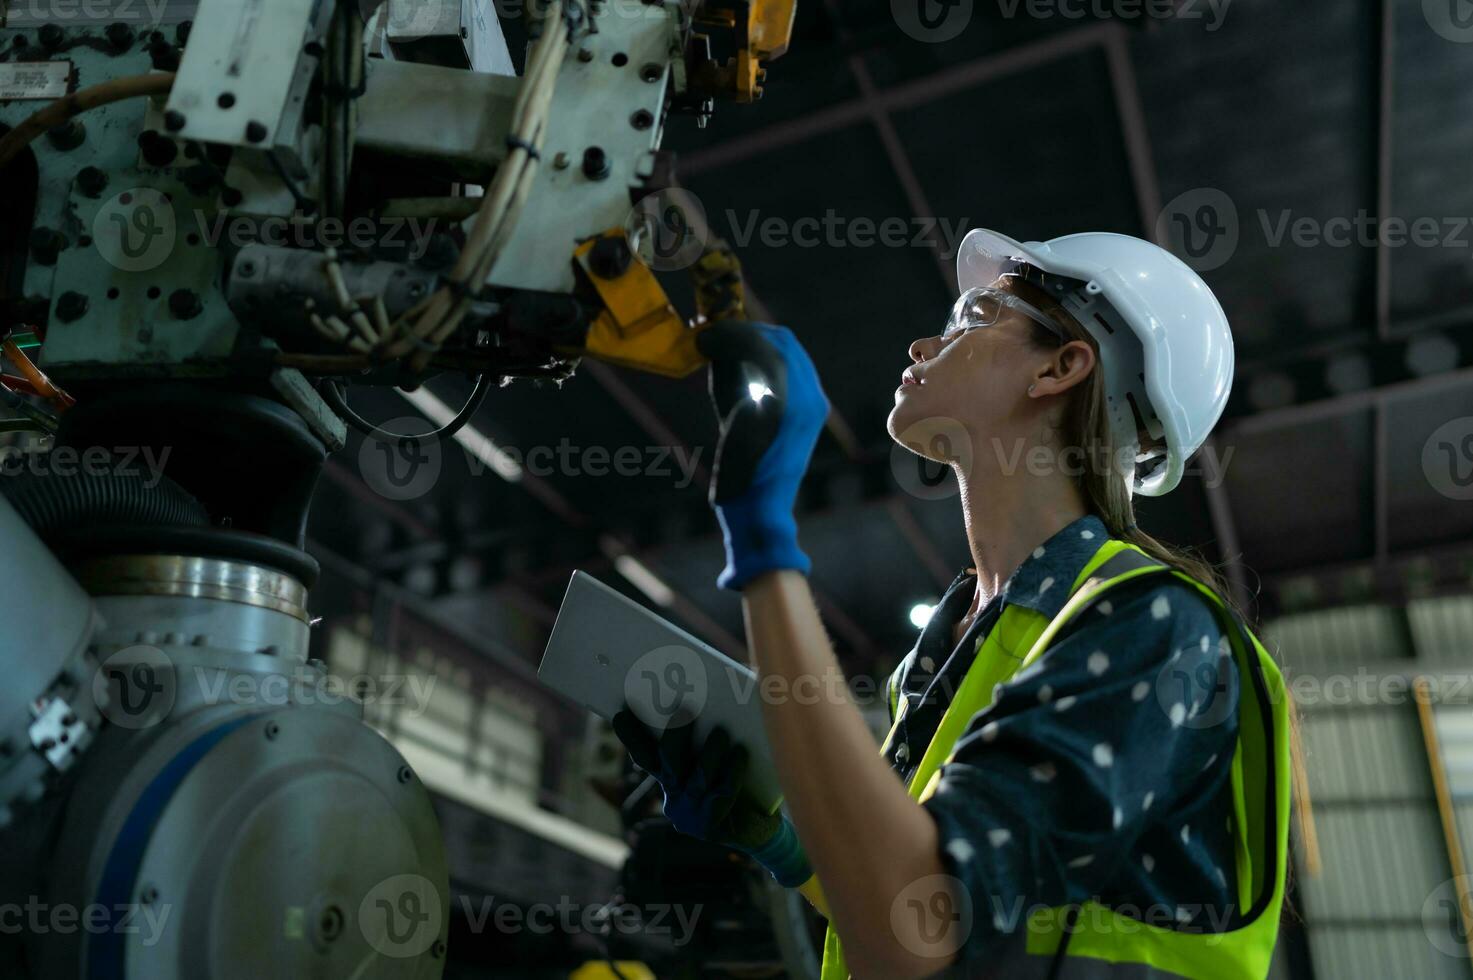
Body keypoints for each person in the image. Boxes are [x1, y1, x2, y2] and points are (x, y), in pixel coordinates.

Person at [611, 229, 1292, 979]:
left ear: (1062, 367)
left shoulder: (1153, 627)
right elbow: (912, 903)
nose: (920, 345)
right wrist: (782, 845)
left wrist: (763, 538)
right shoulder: (945, 648)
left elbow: (923, 922)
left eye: (974, 315)